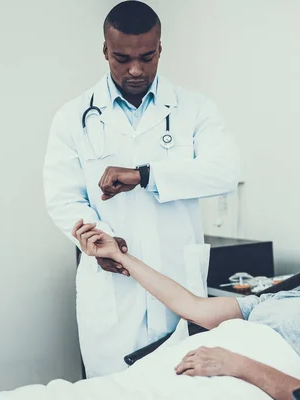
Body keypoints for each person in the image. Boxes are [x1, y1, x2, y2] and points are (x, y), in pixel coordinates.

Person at [43, 1, 241, 377]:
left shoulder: (195, 109)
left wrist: (145, 175)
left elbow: (225, 172)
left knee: (182, 386)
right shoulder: (72, 117)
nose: (135, 69)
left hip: (178, 284)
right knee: (112, 388)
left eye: (147, 57)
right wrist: (97, 240)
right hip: (112, 291)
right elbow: (63, 198)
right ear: (105, 51)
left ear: (160, 49)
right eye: (121, 58)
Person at [72, 220, 300, 399]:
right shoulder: (289, 299)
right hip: (187, 374)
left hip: (230, 383)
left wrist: (235, 364)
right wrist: (120, 256)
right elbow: (193, 307)